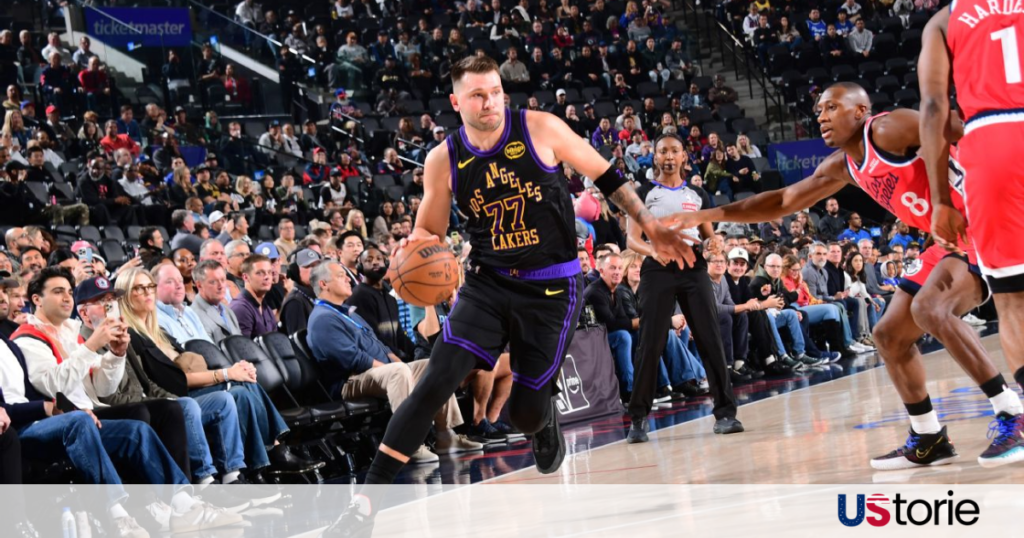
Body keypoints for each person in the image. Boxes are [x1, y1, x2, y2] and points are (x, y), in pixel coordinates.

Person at [323, 55, 693, 535]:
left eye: (496, 91)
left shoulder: (540, 128)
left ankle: (542, 417)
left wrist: (648, 224)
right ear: (456, 102)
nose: (490, 102)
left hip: (553, 288)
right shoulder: (443, 159)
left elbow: (607, 176)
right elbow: (430, 229)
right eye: (478, 95)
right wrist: (415, 245)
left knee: (523, 413)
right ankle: (364, 508)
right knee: (434, 381)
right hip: (488, 283)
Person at [665, 82, 1022, 470]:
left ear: (860, 111)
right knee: (889, 335)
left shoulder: (890, 127)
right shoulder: (843, 165)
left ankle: (1012, 414)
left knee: (930, 309)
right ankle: (928, 436)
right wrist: (709, 214)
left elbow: (960, 127)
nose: (821, 115)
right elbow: (783, 200)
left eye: (832, 107)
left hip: (989, 221)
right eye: (819, 110)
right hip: (949, 239)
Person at [919, 2, 1024, 466]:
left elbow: (934, 107)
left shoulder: (945, 20)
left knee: (1013, 300)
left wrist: (941, 199)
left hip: (992, 141)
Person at [625, 133, 743, 444]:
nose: (668, 156)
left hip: (693, 268)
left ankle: (726, 413)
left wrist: (713, 243)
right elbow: (632, 239)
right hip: (657, 269)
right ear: (655, 157)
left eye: (674, 151)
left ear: (683, 157)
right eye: (662, 151)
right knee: (650, 342)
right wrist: (653, 250)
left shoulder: (699, 194)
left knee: (709, 338)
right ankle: (638, 418)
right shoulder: (643, 193)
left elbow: (707, 235)